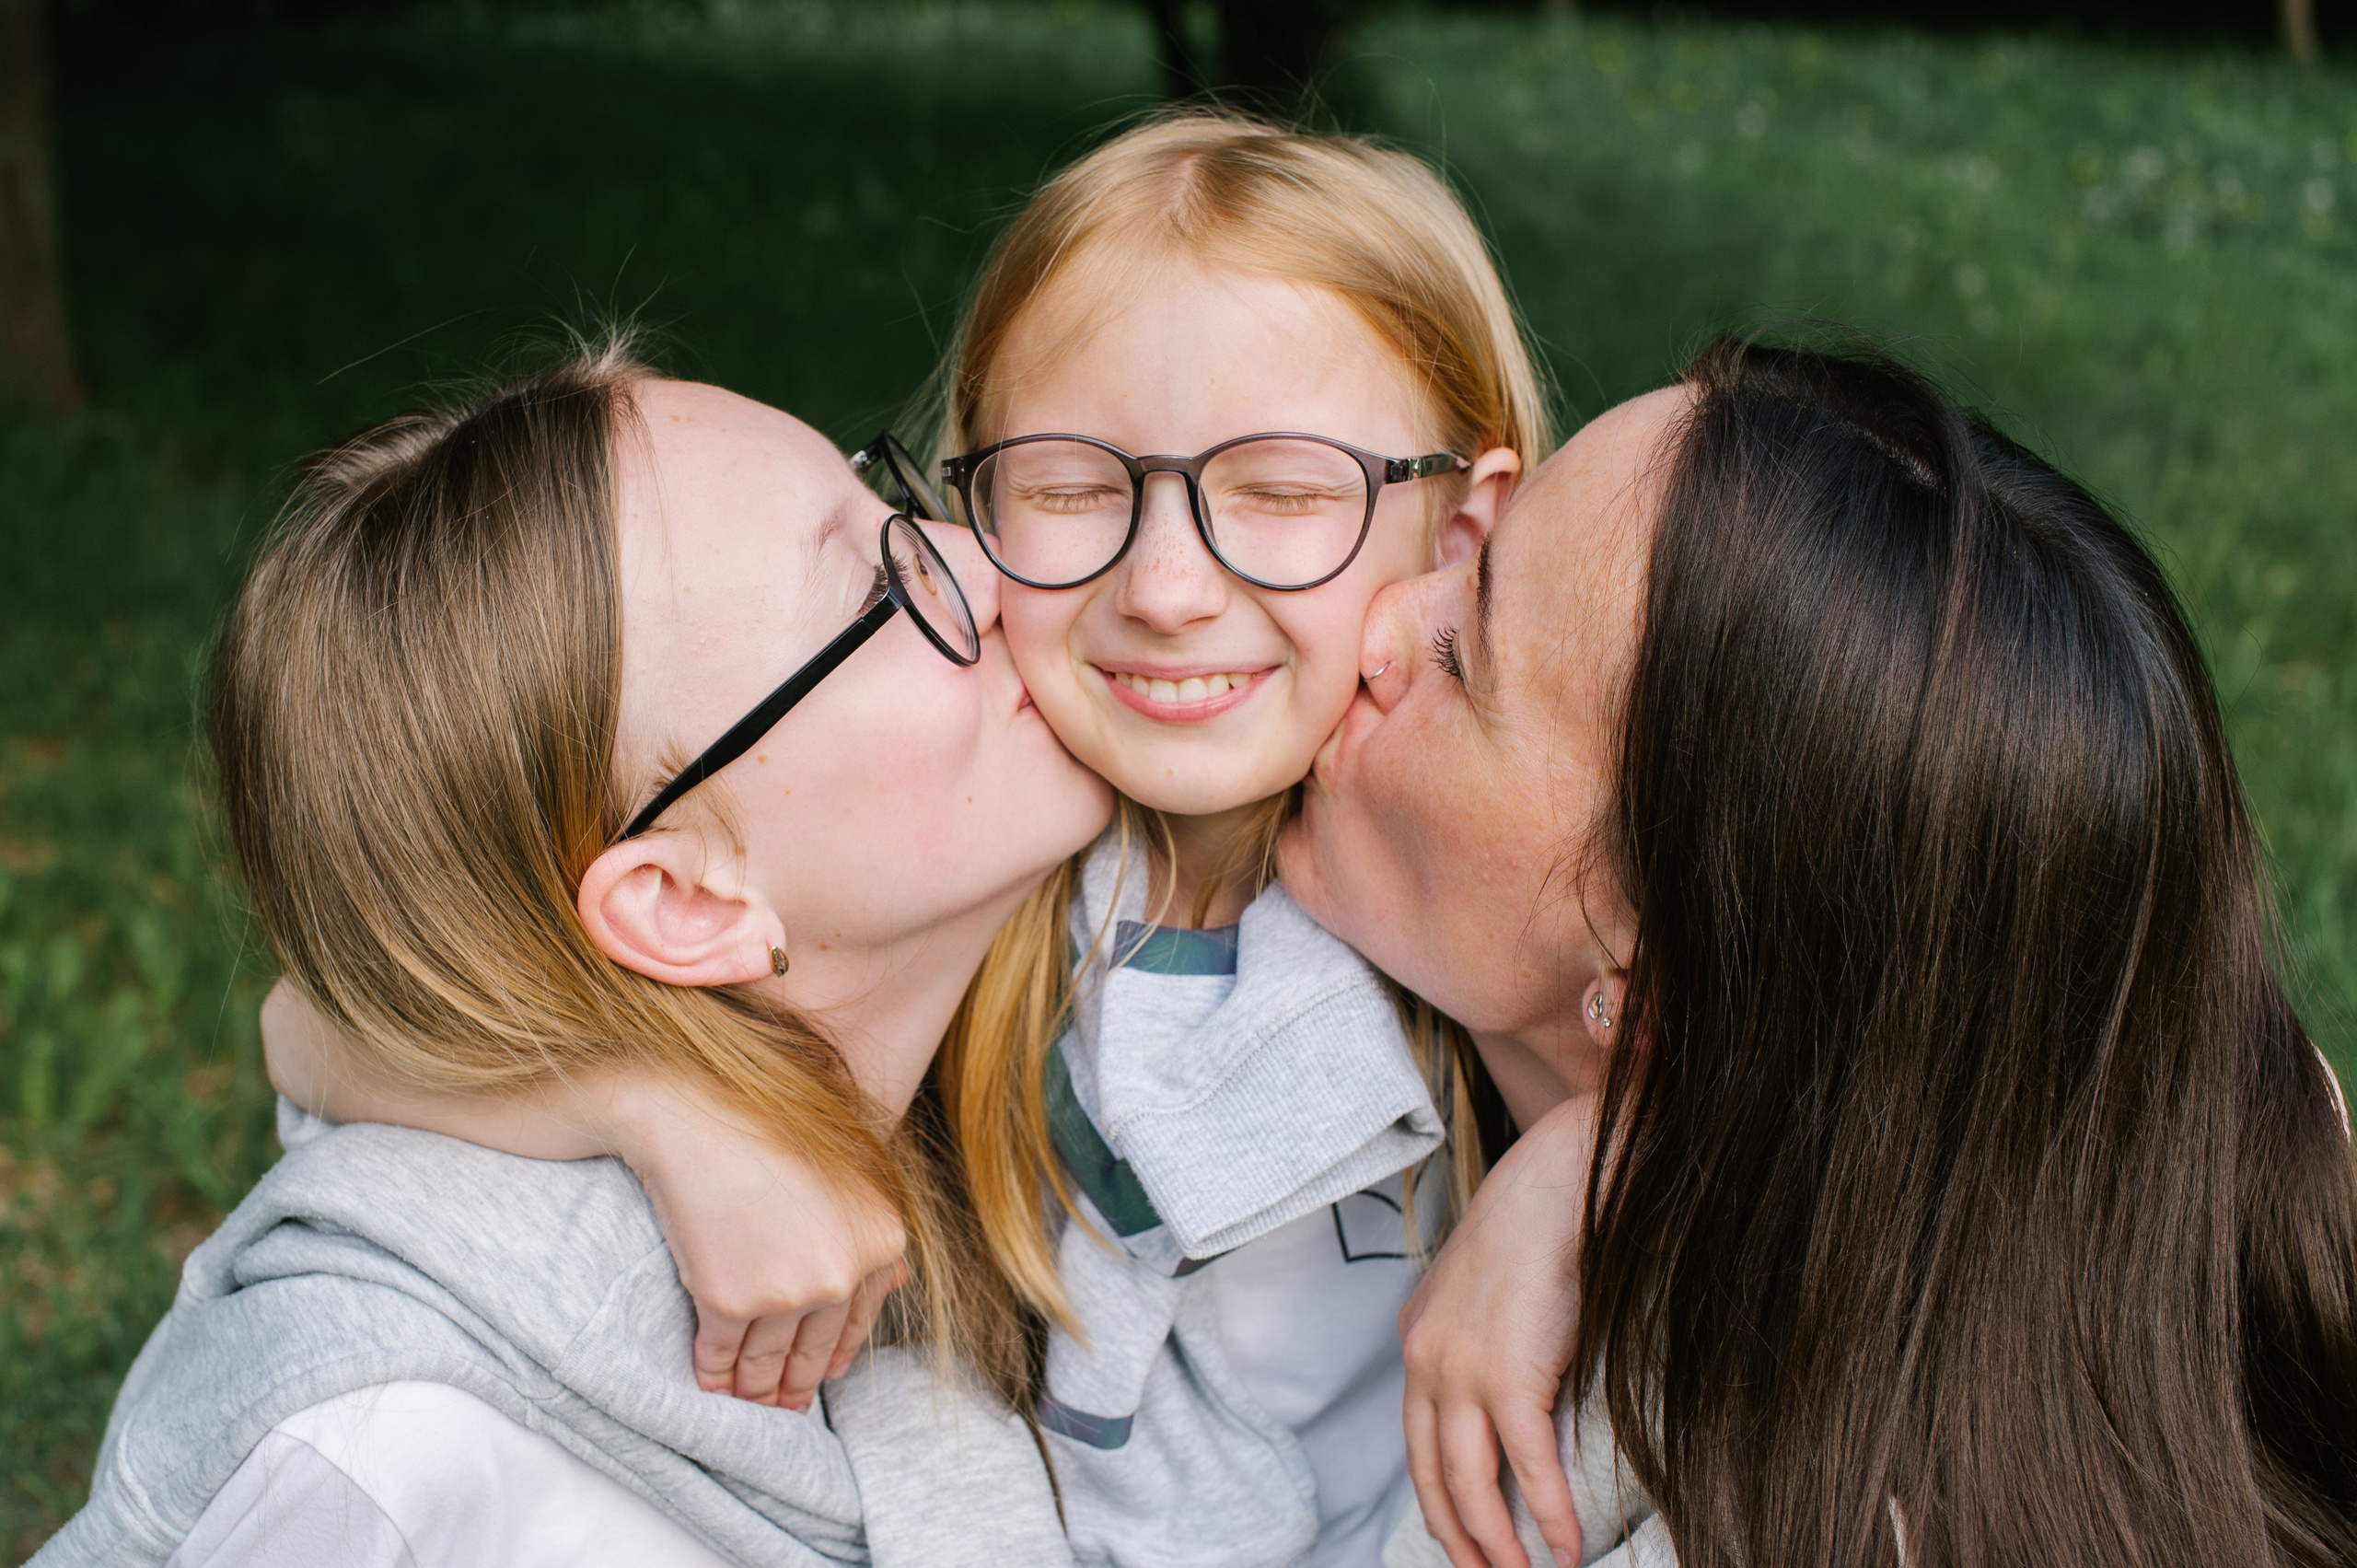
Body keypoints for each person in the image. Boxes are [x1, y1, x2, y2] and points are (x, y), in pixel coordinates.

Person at [266, 110, 1548, 1568]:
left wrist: (1585, 1172)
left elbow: (1806, 1060)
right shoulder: (982, 848)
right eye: (1072, 489)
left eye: (1285, 491)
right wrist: (662, 1110)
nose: (1170, 586)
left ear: (1460, 535)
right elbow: (325, 1023)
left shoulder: (1497, 869)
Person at [1275, 334, 2357, 1568]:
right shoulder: (2161, 1153)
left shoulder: (1744, 1519)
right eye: (1472, 552)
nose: (1376, 621)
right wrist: (1613, 1148)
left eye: (1463, 660)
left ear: (1642, 999)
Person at [30, 344, 1111, 1568]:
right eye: (875, 590)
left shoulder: (1119, 959)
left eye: (900, 510)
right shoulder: (389, 1455)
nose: (989, 557)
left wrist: (640, 1096)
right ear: (684, 903)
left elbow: (306, 1022)